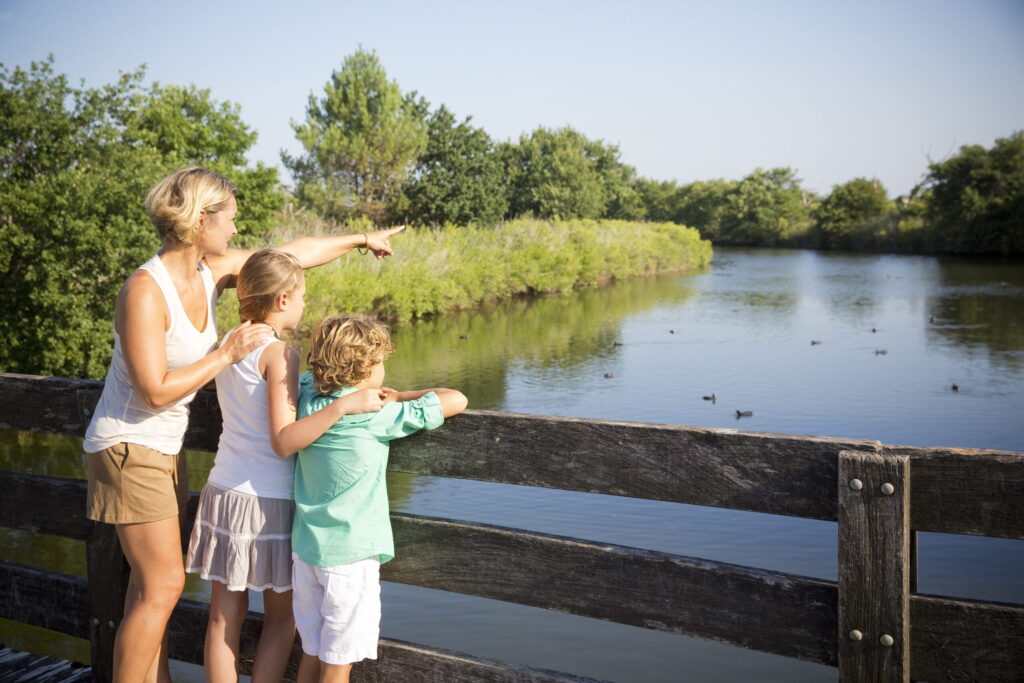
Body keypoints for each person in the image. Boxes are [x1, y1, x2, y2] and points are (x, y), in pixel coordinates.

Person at [83, 166, 404, 683]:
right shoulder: (146, 289)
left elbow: (289, 257)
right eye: (229, 219)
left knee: (150, 589)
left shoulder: (207, 273)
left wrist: (362, 238)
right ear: (200, 220)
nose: (235, 229)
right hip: (128, 443)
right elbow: (153, 389)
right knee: (162, 587)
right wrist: (226, 352)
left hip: (169, 449)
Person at [184, 250, 385, 682]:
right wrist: (344, 407)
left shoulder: (229, 343)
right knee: (281, 619)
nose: (304, 305)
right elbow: (282, 440)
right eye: (302, 297)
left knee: (223, 618)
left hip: (224, 489)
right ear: (281, 300)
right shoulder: (281, 355)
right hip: (269, 500)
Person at [291, 316, 467, 683]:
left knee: (312, 651)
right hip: (351, 558)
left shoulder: (309, 398)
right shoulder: (377, 415)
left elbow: (311, 378)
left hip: (307, 552)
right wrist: (402, 396)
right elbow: (455, 399)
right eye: (382, 362)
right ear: (368, 369)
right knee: (338, 662)